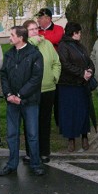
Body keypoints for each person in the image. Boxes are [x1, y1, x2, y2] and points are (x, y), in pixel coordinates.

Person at [0, 25, 46, 176]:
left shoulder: (34, 54)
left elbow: (36, 78)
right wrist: (9, 94)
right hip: (12, 102)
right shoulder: (9, 54)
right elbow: (3, 75)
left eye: (12, 35)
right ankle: (12, 164)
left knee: (32, 134)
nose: (9, 38)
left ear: (20, 37)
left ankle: (35, 163)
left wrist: (20, 95)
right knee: (12, 134)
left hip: (29, 101)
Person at [23, 20, 61, 162]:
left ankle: (44, 151)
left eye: (36, 29)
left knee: (44, 121)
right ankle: (30, 152)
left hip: (48, 88)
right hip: (30, 90)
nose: (34, 31)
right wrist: (33, 42)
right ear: (25, 32)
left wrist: (54, 77)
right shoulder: (25, 46)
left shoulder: (48, 44)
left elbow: (56, 62)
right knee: (29, 122)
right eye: (31, 29)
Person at [57, 22, 95, 152]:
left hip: (81, 85)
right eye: (79, 32)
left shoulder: (81, 46)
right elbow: (65, 64)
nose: (81, 35)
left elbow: (89, 61)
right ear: (74, 33)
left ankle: (85, 136)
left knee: (83, 112)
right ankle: (71, 139)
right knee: (70, 113)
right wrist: (81, 73)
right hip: (68, 85)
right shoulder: (63, 46)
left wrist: (90, 71)